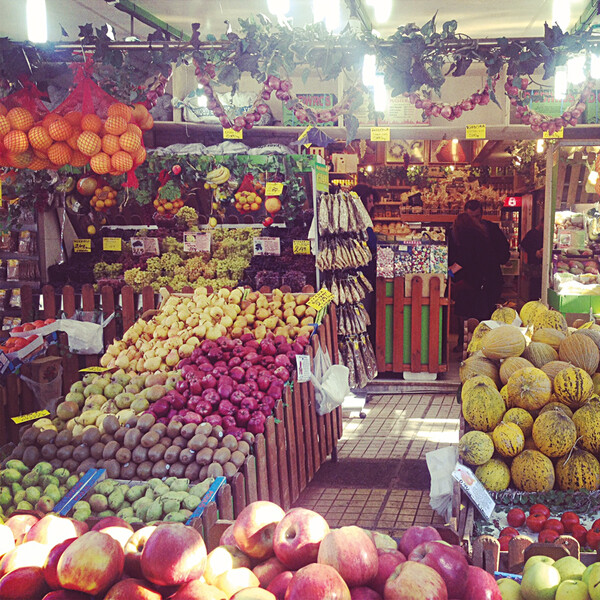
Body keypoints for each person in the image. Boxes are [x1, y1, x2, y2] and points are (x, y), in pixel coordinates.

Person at [448, 212, 496, 350]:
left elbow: (464, 259)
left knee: (465, 312)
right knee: (477, 313)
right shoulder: (479, 235)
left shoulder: (467, 237)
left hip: (474, 281)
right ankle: (476, 345)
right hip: (484, 280)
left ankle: (466, 345)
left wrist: (449, 271)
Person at [464, 199, 511, 313]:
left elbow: (504, 251)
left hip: (491, 279)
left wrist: (493, 259)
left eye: (477, 216)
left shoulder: (492, 229)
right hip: (470, 282)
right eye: (471, 217)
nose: (474, 220)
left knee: (489, 312)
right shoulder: (461, 230)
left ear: (482, 215)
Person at [520, 217, 544, 300]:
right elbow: (523, 246)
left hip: (542, 267)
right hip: (534, 267)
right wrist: (534, 253)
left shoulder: (545, 235)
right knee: (534, 289)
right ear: (541, 222)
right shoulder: (532, 233)